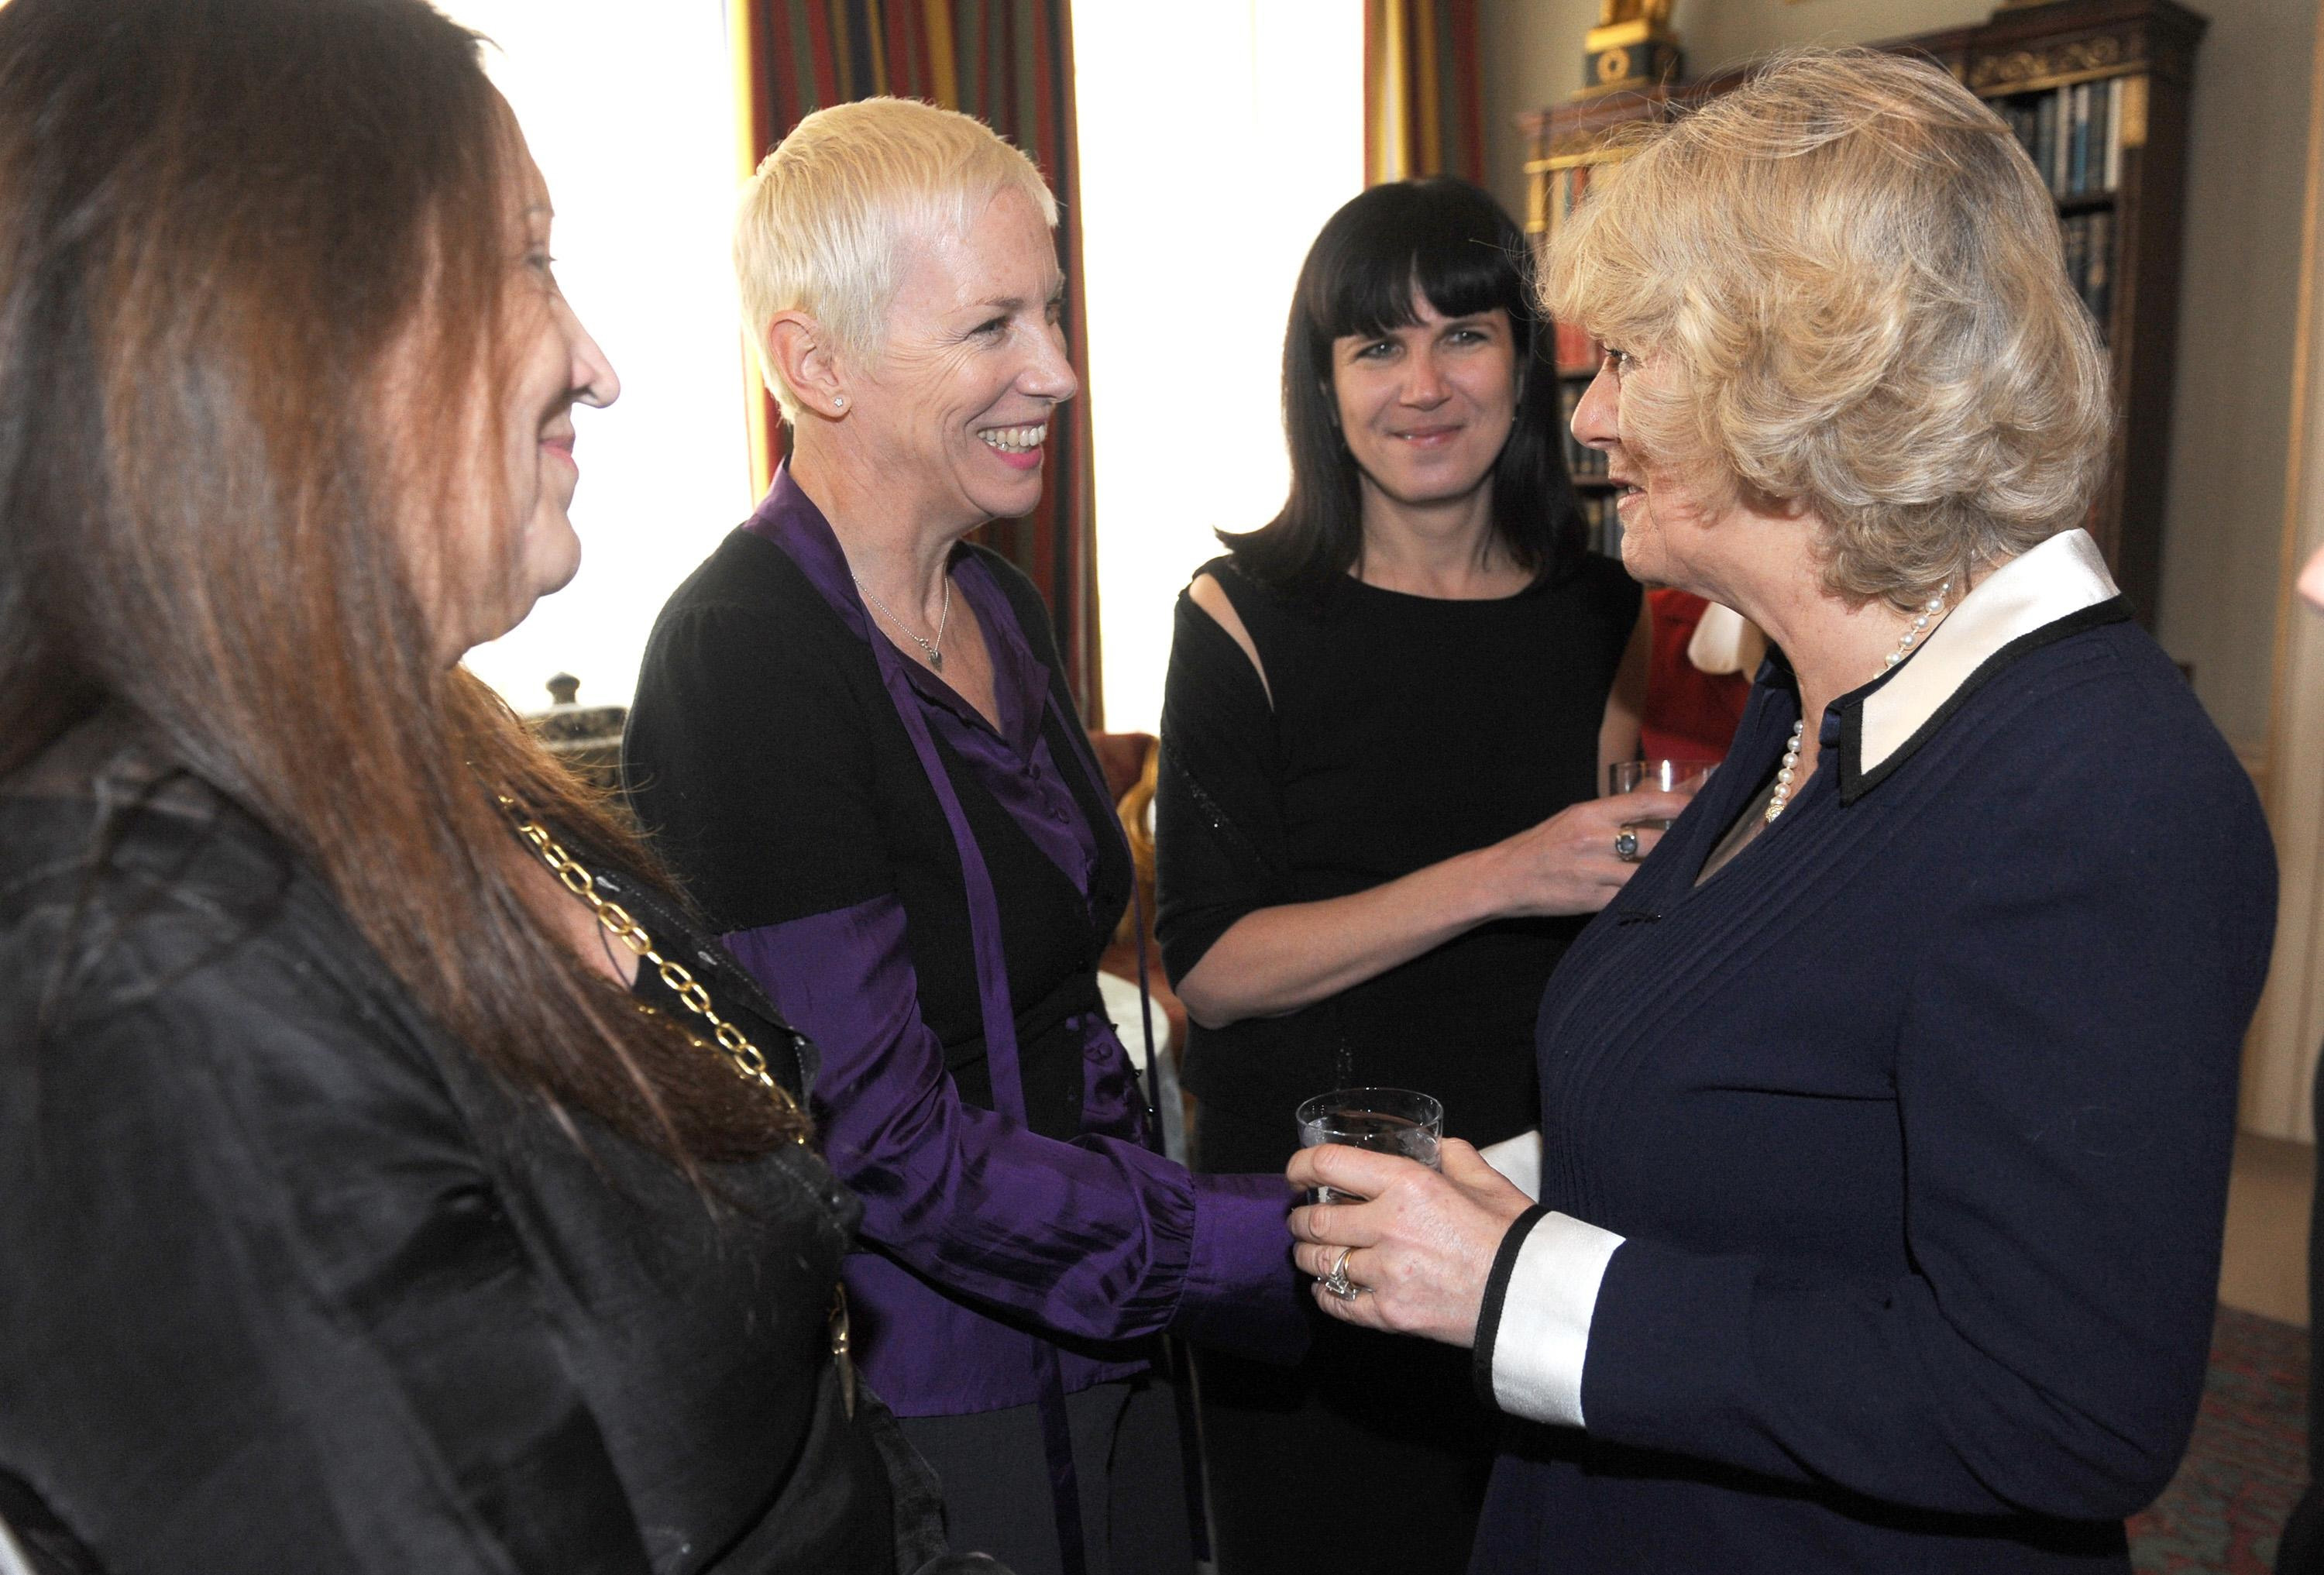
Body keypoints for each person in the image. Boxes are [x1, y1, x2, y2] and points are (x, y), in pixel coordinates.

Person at [0, 5, 1003, 1572]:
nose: (597, 367)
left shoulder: (448, 756)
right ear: (289, 326)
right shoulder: (140, 972)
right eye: (528, 260)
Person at [1285, 50, 2278, 1574]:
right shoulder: (1797, 705)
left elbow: (2062, 1405)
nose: (1593, 416)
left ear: (1812, 371)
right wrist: (1505, 1199)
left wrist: (1520, 1285)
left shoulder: (2101, 793)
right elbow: (1778, 1125)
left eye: (1633, 358)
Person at [622, 98, 1300, 1575]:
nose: (1055, 371)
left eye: (1052, 313)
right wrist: (1266, 1239)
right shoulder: (743, 655)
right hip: (934, 1402)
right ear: (816, 362)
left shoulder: (1000, 603)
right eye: (994, 324)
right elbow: (873, 1136)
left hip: (1112, 1329)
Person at [1152, 177, 1675, 1574]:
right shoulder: (1238, 614)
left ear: (1529, 359)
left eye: (1467, 335)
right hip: (1319, 1215)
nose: (1425, 384)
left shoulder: (1608, 610)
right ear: (1320, 387)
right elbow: (1211, 963)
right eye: (1377, 345)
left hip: (1538, 1212)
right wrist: (1508, 871)